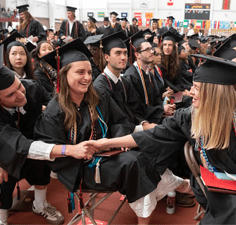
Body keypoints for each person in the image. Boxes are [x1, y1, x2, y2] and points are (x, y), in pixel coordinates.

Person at [87, 54, 236, 224]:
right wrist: (105, 143)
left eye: (197, 88)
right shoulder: (190, 116)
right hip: (212, 185)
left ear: (214, 93)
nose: (191, 92)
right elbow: (149, 136)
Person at [36, 38, 192, 225]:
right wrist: (78, 151)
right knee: (135, 162)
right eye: (80, 72)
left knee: (148, 149)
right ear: (63, 74)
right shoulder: (54, 111)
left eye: (88, 72)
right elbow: (50, 149)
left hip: (109, 152)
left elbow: (119, 122)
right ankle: (175, 186)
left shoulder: (98, 96)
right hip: (79, 168)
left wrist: (121, 141)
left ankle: (172, 186)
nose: (87, 77)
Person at [0, 46, 102, 225]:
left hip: (27, 136)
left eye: (18, 86)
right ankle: (0, 216)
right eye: (11, 95)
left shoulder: (31, 88)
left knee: (42, 155)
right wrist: (4, 159)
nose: (20, 94)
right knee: (1, 167)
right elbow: (9, 145)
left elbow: (45, 119)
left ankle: (40, 204)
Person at [93, 31, 164, 128]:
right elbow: (112, 123)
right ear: (107, 57)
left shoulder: (125, 83)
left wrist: (144, 123)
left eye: (125, 53)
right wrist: (142, 128)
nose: (123, 57)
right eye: (118, 53)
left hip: (132, 132)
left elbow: (135, 110)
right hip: (116, 139)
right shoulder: (100, 87)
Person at [124, 30, 175, 117]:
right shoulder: (131, 76)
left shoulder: (148, 73)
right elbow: (136, 107)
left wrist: (166, 107)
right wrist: (162, 109)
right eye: (147, 49)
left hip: (154, 115)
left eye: (151, 48)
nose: (152, 52)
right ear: (137, 55)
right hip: (142, 120)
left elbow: (156, 99)